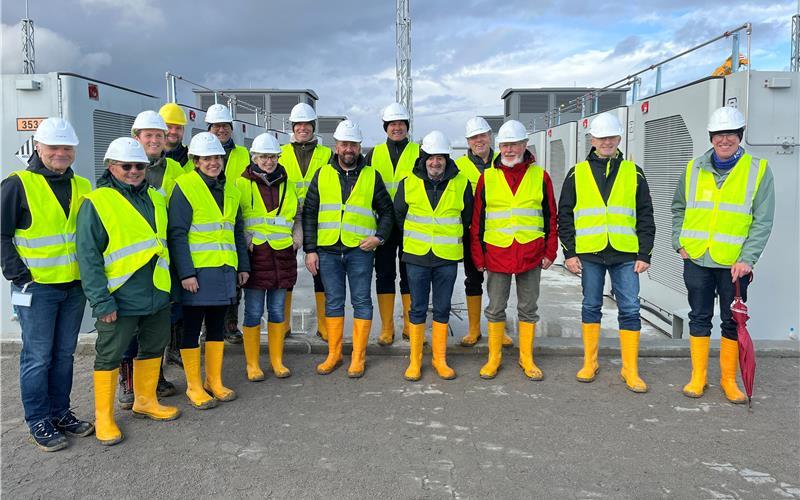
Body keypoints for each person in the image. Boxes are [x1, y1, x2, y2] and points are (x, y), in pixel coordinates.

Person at [77, 137, 180, 446]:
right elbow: (88, 255)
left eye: (140, 166)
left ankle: (145, 401)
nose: (134, 171)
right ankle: (104, 418)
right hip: (118, 296)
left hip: (157, 292)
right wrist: (100, 300)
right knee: (110, 354)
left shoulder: (156, 197)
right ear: (112, 167)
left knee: (153, 346)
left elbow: (163, 243)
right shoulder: (97, 201)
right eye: (127, 166)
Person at [1, 117, 94, 451]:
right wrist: (18, 274)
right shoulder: (17, 184)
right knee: (38, 356)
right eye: (54, 147)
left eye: (67, 147)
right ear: (38, 147)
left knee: (64, 354)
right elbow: (2, 234)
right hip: (37, 288)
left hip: (73, 286)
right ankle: (38, 419)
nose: (60, 153)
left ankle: (60, 413)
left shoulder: (83, 185)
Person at [672, 106, 774, 403]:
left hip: (734, 264)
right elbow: (679, 207)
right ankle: (698, 376)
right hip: (697, 259)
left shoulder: (758, 170)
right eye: (719, 134)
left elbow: (762, 220)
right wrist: (679, 242)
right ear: (711, 137)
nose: (724, 140)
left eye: (730, 134)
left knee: (732, 321)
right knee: (699, 316)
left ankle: (729, 380)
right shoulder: (693, 168)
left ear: (740, 136)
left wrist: (748, 259)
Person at [558, 112, 655, 393]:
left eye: (612, 137)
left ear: (619, 139)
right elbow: (565, 215)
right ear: (593, 139)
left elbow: (645, 214)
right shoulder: (577, 173)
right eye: (602, 138)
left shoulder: (633, 172)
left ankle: (630, 369)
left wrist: (644, 253)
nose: (607, 142)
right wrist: (569, 253)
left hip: (625, 253)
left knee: (630, 308)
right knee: (590, 306)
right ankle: (590, 362)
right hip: (590, 253)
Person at [303, 120, 394, 377]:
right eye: (344, 144)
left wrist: (379, 237)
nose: (348, 149)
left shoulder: (371, 175)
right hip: (328, 249)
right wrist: (311, 249)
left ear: (359, 146)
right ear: (336, 146)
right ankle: (334, 354)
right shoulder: (322, 174)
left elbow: (387, 212)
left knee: (362, 301)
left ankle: (358, 356)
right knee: (333, 301)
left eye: (353, 144)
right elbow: (310, 213)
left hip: (359, 251)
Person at [470, 120, 558, 380]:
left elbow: (550, 216)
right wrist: (478, 254)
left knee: (528, 309)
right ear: (499, 147)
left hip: (531, 253)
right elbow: (478, 220)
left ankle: (526, 358)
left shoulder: (540, 176)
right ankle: (493, 358)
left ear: (524, 145)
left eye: (514, 145)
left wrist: (550, 251)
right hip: (497, 253)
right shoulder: (487, 178)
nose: (509, 150)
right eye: (505, 145)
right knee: (495, 308)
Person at [168, 132, 250, 408]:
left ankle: (213, 381)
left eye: (217, 157)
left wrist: (242, 266)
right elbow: (177, 234)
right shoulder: (185, 186)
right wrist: (186, 273)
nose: (214, 162)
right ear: (195, 160)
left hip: (225, 271)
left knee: (216, 328)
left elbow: (237, 232)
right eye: (207, 158)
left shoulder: (232, 190)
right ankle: (193, 386)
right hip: (198, 274)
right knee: (191, 329)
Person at [115, 110, 184, 409]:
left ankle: (153, 378)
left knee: (158, 322)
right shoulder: (124, 169)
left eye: (159, 135)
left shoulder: (176, 171)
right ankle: (129, 383)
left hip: (164, 257)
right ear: (136, 137)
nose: (155, 140)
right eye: (149, 135)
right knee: (130, 326)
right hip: (131, 262)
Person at [394, 131, 473, 380]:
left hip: (446, 258)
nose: (435, 162)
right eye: (431, 157)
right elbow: (399, 216)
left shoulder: (461, 183)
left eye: (440, 158)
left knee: (442, 308)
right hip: (416, 257)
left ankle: (440, 360)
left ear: (447, 159)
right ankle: (415, 361)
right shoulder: (408, 183)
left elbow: (467, 217)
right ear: (424, 158)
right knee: (417, 309)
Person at [238, 133, 301, 381]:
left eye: (272, 156)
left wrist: (298, 239)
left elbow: (297, 216)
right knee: (253, 312)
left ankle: (277, 361)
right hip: (257, 258)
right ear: (254, 157)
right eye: (263, 156)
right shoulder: (241, 184)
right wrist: (248, 242)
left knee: (277, 311)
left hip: (283, 256)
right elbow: (236, 218)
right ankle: (252, 364)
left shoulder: (288, 183)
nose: (268, 161)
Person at [365, 102, 419, 345]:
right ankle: (387, 327)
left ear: (407, 126)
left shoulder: (420, 152)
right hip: (383, 225)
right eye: (392, 124)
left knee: (410, 275)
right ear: (385, 127)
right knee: (385, 274)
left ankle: (409, 325)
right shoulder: (373, 154)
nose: (397, 128)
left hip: (412, 224)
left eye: (401, 124)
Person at [455, 117, 512, 348]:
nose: (479, 141)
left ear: (490, 136)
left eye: (482, 136)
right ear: (468, 141)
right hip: (472, 232)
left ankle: (499, 329)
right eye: (474, 137)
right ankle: (474, 329)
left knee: (500, 281)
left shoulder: (505, 161)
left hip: (500, 231)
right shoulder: (458, 167)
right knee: (473, 279)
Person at [280, 103, 332, 340]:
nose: (302, 128)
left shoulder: (327, 154)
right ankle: (282, 324)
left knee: (320, 271)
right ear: (292, 127)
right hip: (287, 219)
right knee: (285, 272)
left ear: (313, 127)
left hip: (318, 217)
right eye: (298, 124)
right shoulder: (281, 152)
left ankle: (324, 324)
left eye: (307, 124)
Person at [204, 103, 250, 344]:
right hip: (207, 220)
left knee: (234, 274)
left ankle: (230, 324)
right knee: (208, 275)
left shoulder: (243, 154)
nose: (221, 130)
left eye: (225, 126)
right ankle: (208, 327)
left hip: (234, 215)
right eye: (216, 126)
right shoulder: (199, 152)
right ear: (209, 128)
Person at [158, 103, 192, 171]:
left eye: (178, 128)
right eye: (169, 127)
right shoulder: (148, 158)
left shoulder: (192, 158)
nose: (173, 132)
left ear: (183, 130)